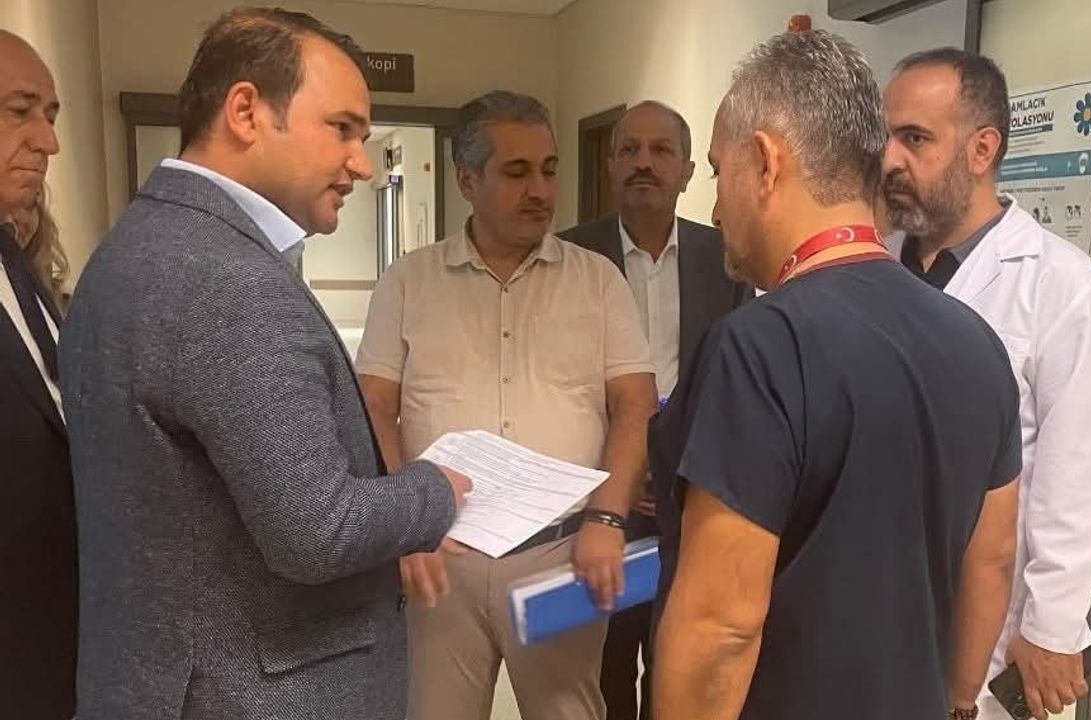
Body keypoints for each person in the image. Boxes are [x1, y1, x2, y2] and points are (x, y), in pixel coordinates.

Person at [60, 9, 470, 719]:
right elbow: (318, 530)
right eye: (341, 128)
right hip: (252, 694)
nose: (361, 163)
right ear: (246, 111)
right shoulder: (228, 279)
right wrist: (437, 492)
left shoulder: (132, 246)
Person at [649, 30, 1022, 720]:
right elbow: (992, 558)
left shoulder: (760, 348)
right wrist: (957, 698)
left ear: (766, 163)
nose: (717, 209)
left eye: (718, 172)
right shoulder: (978, 344)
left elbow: (720, 631)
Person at [357, 90, 658, 720]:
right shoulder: (408, 282)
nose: (540, 191)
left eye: (549, 170)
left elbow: (635, 404)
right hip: (443, 556)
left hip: (562, 556)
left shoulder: (598, 281)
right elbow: (374, 406)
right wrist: (403, 527)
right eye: (516, 172)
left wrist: (608, 519)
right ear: (467, 180)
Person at [882, 48, 1091, 720]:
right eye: (886, 136)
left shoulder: (1067, 291)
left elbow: (1076, 479)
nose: (889, 159)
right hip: (876, 606)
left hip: (993, 628)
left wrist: (1052, 628)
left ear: (982, 149)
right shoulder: (871, 269)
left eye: (914, 139)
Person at [557, 99, 751, 720]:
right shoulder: (569, 257)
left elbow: (733, 384)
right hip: (601, 501)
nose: (644, 163)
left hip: (689, 502)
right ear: (611, 165)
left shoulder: (725, 257)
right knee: (603, 668)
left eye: (661, 151)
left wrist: (675, 470)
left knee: (677, 660)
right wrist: (621, 475)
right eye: (630, 150)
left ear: (688, 171)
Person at [0, 28, 77, 720]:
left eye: (49, 116)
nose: (47, 142)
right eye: (19, 110)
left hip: (57, 651)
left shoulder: (19, 263)